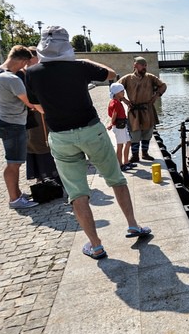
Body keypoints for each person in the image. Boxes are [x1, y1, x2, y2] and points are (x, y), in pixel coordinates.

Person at [26, 26, 151, 260]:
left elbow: (38, 107)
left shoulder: (32, 74)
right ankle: (133, 225)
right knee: (116, 178)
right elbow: (111, 74)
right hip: (91, 130)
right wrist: (80, 60)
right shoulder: (79, 67)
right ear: (67, 46)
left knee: (77, 192)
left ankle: (95, 245)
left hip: (61, 136)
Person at [0, 45, 42, 209]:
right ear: (23, 60)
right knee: (13, 163)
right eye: (25, 64)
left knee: (14, 161)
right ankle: (14, 199)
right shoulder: (12, 79)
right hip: (14, 123)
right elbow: (30, 103)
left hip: (3, 119)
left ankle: (16, 194)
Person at [21, 47, 61, 185]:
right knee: (36, 144)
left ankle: (53, 176)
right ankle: (41, 176)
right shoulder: (23, 74)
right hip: (34, 115)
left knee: (47, 143)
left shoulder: (40, 72)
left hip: (44, 113)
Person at [119, 56, 167, 163]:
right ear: (135, 65)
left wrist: (156, 96)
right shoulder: (127, 78)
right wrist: (124, 100)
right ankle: (135, 155)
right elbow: (115, 88)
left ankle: (145, 153)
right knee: (134, 133)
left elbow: (163, 86)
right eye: (142, 65)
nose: (144, 67)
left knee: (147, 132)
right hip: (134, 110)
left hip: (147, 109)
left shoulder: (150, 77)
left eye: (145, 65)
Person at [107, 82, 135, 171]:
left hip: (122, 125)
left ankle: (126, 161)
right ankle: (120, 164)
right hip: (119, 127)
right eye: (122, 91)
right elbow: (114, 114)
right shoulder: (116, 102)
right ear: (116, 92)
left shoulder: (117, 101)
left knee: (128, 142)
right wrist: (111, 124)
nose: (123, 93)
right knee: (120, 145)